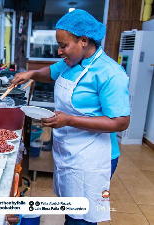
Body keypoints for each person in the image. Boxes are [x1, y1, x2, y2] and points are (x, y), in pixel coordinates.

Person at [10, 9, 130, 225]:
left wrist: (69, 120)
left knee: (83, 218)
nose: (59, 52)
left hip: (94, 157)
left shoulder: (111, 73)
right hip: (70, 151)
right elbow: (51, 72)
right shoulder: (70, 63)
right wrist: (31, 74)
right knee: (70, 208)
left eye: (63, 46)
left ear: (84, 41)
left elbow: (121, 122)